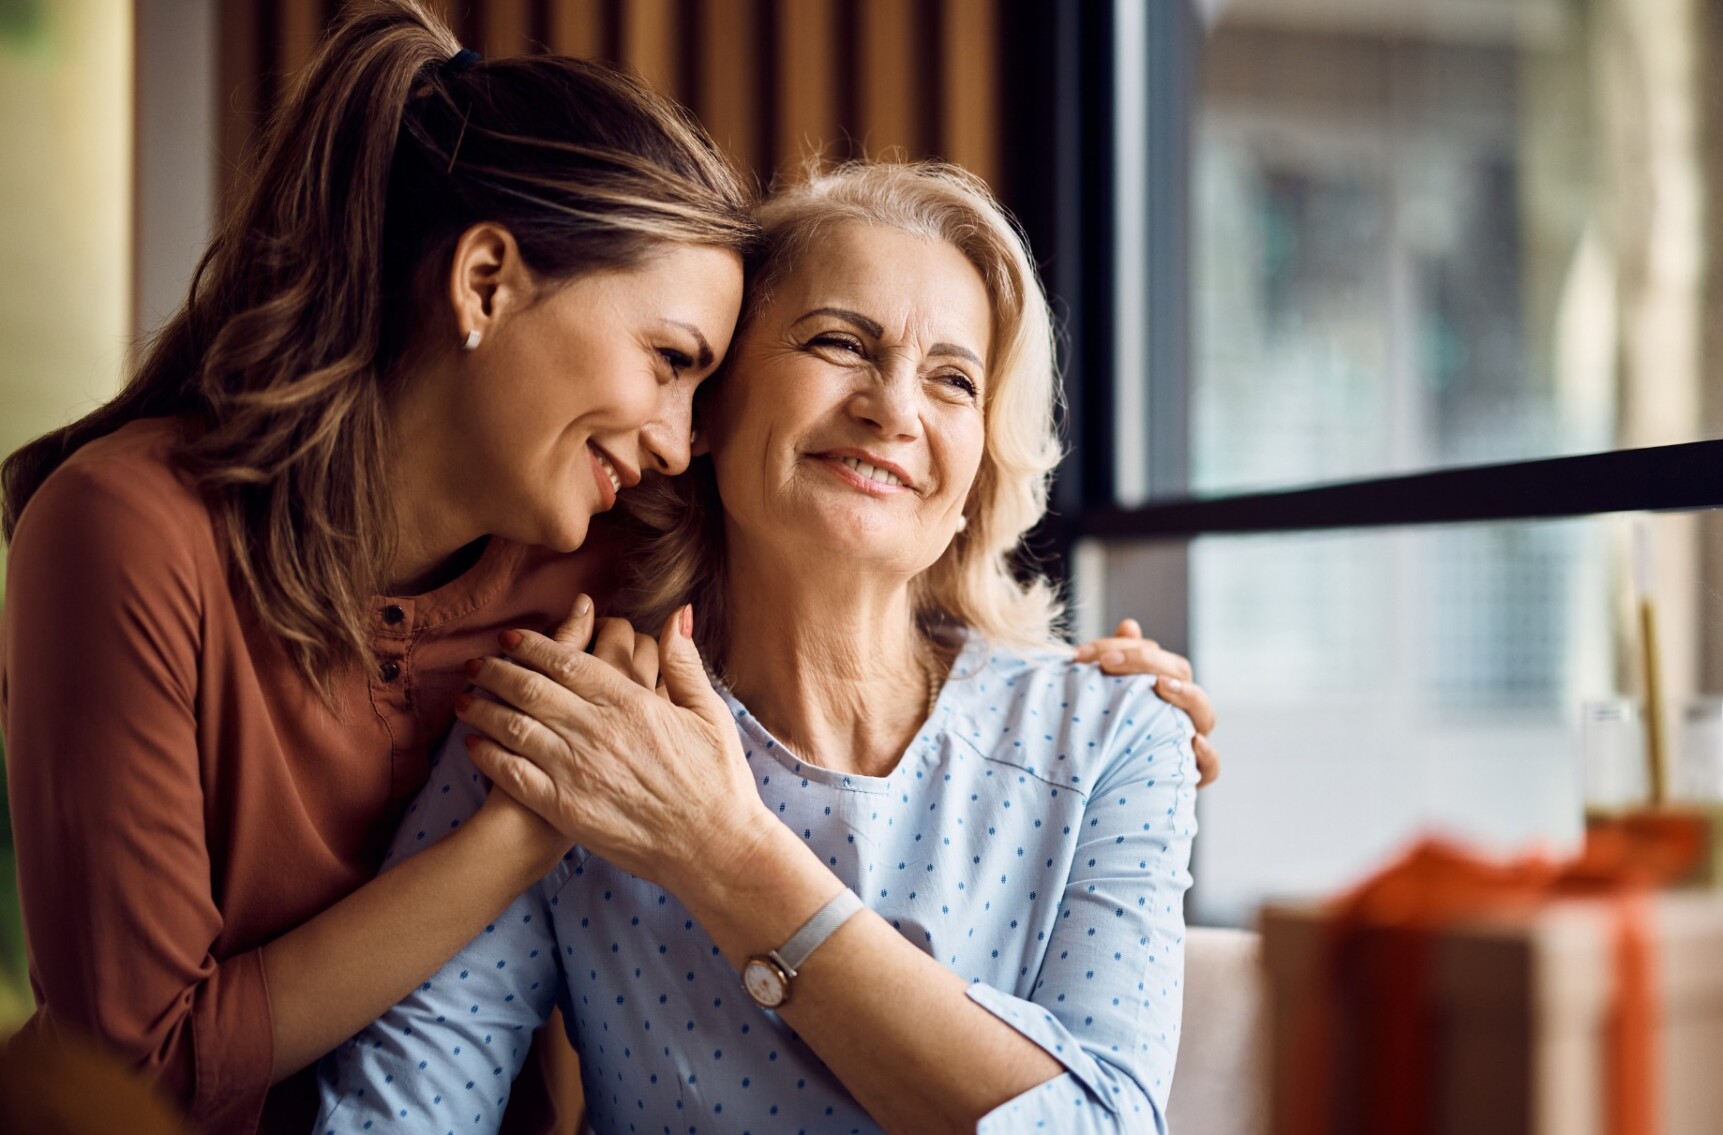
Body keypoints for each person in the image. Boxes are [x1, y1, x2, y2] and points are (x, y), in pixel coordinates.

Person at [316, 162, 1201, 1134]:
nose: (895, 408)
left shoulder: (1118, 737)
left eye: (953, 379)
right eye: (839, 342)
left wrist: (723, 852)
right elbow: (393, 1117)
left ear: (977, 476)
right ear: (710, 410)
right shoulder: (574, 726)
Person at [0, 3, 754, 1130]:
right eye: (668, 362)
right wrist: (512, 838)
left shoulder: (616, 566)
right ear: (487, 281)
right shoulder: (127, 533)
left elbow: (869, 668)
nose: (677, 442)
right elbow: (141, 1067)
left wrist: (1093, 690)